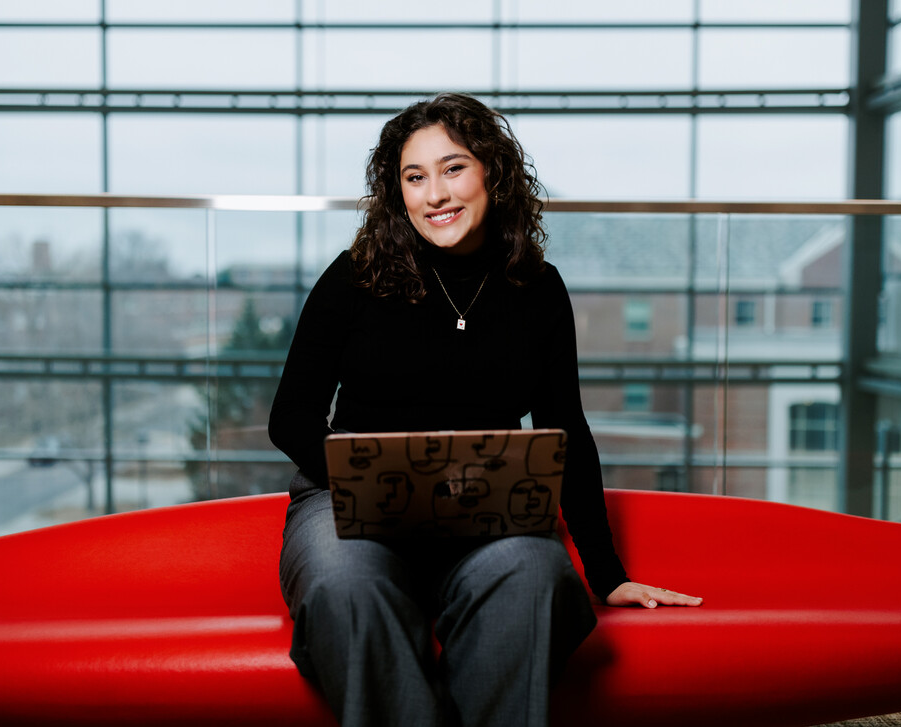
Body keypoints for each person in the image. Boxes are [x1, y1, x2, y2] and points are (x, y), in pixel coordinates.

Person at [268, 92, 702, 727]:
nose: (435, 194)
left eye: (453, 168)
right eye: (414, 178)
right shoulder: (354, 275)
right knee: (345, 587)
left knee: (535, 577)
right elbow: (292, 417)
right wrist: (374, 481)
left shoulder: (539, 288)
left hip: (486, 511)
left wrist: (607, 574)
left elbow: (565, 431)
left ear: (492, 174)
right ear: (399, 194)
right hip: (349, 505)